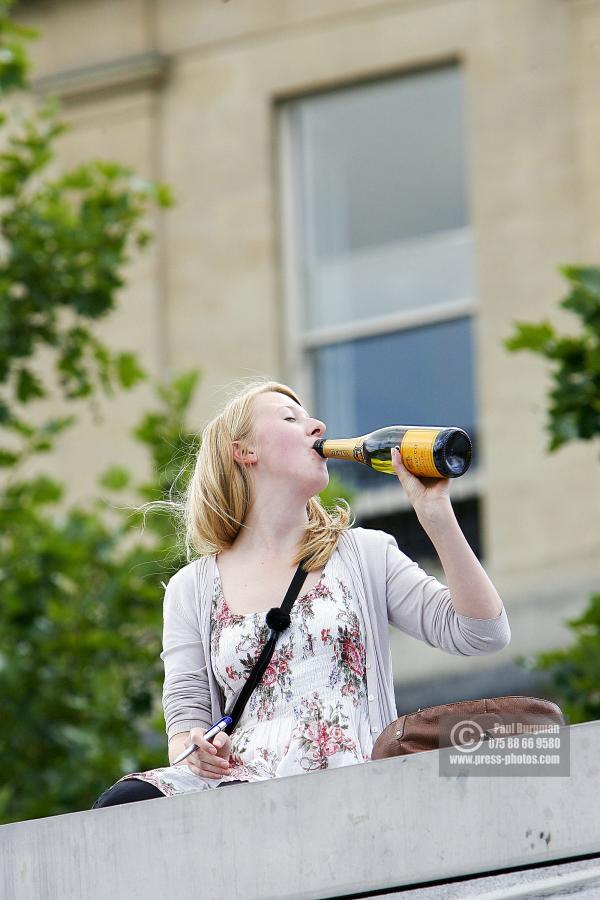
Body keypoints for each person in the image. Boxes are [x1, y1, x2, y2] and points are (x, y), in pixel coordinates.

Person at [92, 378, 510, 808]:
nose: (318, 427)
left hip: (350, 779)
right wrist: (198, 750)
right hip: (243, 787)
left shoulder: (364, 553)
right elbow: (186, 723)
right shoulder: (191, 588)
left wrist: (436, 513)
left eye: (310, 417)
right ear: (245, 451)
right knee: (123, 802)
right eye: (291, 418)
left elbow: (483, 634)